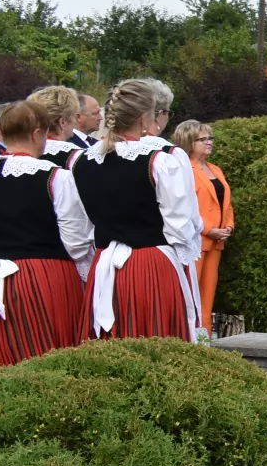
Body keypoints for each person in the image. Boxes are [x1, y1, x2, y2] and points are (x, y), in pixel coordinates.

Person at [0, 100, 94, 364]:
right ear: (37, 133)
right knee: (46, 358)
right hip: (40, 277)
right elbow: (76, 240)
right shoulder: (56, 176)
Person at [71, 79, 202, 340]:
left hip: (105, 264)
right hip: (152, 264)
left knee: (113, 344)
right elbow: (181, 226)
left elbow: (81, 227)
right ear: (144, 118)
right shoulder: (160, 160)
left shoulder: (81, 160)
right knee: (156, 341)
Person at [171, 120, 233, 333]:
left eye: (210, 138)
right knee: (190, 297)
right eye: (203, 139)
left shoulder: (215, 169)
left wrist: (228, 228)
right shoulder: (183, 169)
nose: (209, 142)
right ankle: (185, 339)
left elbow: (226, 203)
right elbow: (184, 206)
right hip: (194, 243)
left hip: (216, 243)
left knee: (207, 299)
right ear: (188, 142)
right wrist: (208, 229)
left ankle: (203, 344)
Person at [29, 85, 88, 167]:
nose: (75, 122)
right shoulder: (78, 157)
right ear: (62, 122)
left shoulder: (24, 154)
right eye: (73, 117)